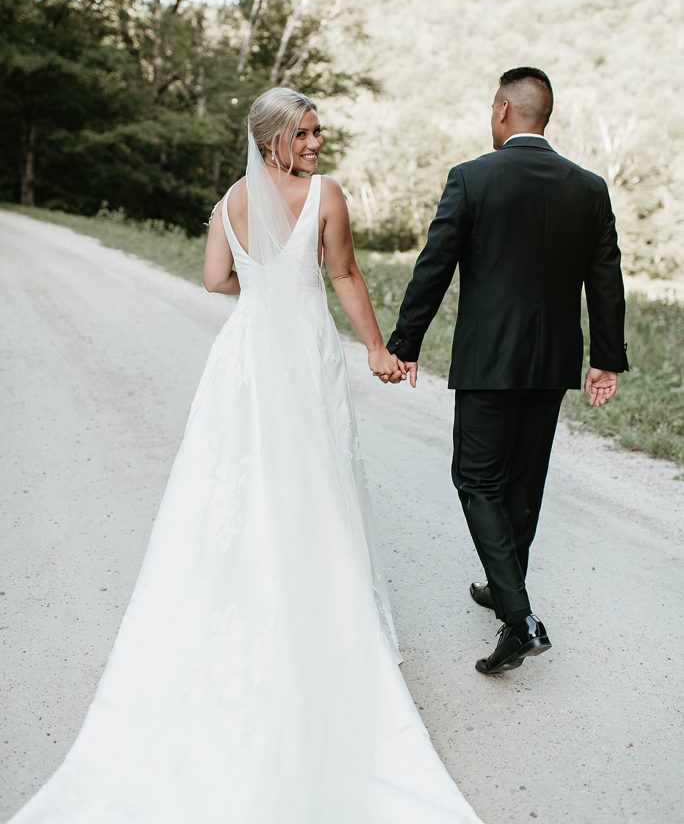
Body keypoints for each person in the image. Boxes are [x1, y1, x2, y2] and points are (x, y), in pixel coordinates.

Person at [9, 87, 485, 823]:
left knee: (237, 481)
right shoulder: (326, 199)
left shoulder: (232, 199)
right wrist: (377, 351)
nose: (316, 143)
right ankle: (321, 610)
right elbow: (345, 277)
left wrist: (256, 283)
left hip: (246, 356)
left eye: (318, 132)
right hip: (303, 350)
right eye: (304, 133)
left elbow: (212, 280)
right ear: (274, 140)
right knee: (315, 480)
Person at [387, 67, 628, 675]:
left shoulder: (472, 178)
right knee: (525, 480)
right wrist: (606, 358)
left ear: (502, 111)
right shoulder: (590, 187)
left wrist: (405, 340)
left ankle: (519, 619)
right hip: (551, 364)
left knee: (476, 479)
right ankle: (503, 584)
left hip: (490, 360)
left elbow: (434, 265)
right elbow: (606, 279)